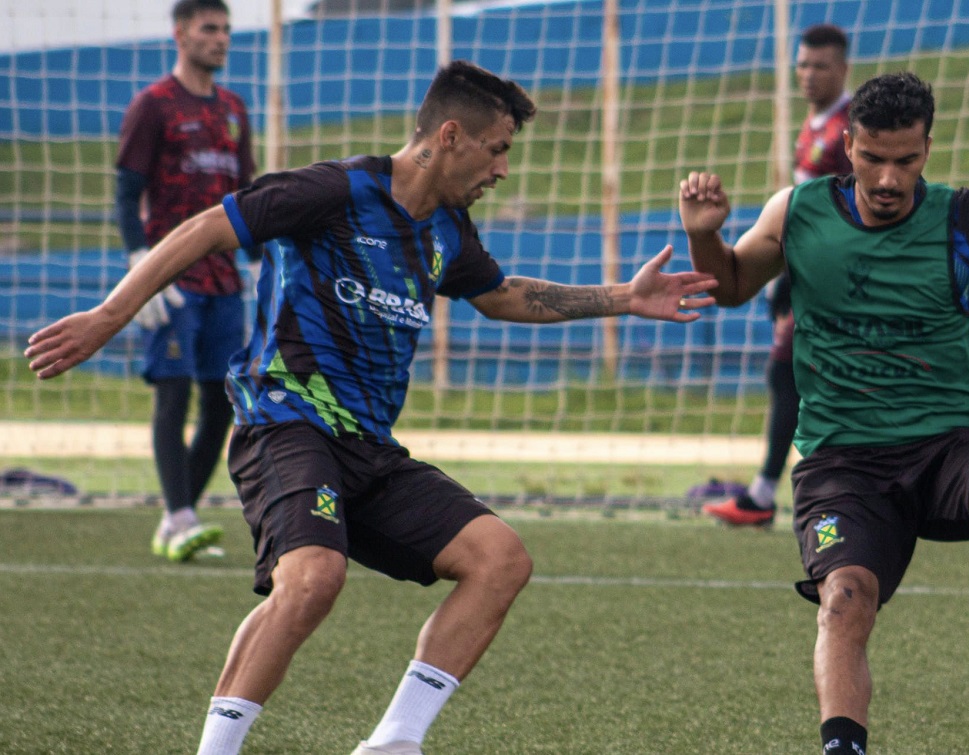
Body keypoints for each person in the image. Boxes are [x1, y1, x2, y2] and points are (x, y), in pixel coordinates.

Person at [28, 59, 717, 755]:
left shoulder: (448, 228)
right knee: (313, 578)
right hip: (284, 420)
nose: (504, 169)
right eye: (499, 148)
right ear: (451, 135)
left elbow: (501, 294)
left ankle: (393, 743)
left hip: (369, 447)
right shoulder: (335, 190)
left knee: (500, 557)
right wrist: (107, 316)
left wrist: (624, 298)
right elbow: (208, 227)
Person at [678, 72, 969, 754]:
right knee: (844, 601)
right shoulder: (797, 211)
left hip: (950, 447)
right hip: (842, 463)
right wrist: (706, 238)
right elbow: (731, 285)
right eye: (872, 157)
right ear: (847, 145)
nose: (888, 178)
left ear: (927, 150)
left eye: (906, 160)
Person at [115, 0, 259, 562]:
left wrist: (254, 264)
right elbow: (127, 192)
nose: (220, 38)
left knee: (223, 401)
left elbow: (245, 195)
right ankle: (177, 519)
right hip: (172, 274)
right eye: (209, 28)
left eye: (226, 29)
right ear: (180, 34)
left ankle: (183, 514)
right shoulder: (153, 106)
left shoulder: (233, 108)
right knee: (172, 393)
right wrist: (138, 263)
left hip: (224, 280)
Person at [702, 23, 853, 527]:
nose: (809, 75)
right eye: (803, 64)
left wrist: (789, 276)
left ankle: (776, 493)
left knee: (795, 372)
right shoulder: (815, 124)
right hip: (806, 272)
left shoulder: (850, 127)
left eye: (821, 66)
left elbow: (840, 211)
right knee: (793, 372)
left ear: (844, 69)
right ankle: (779, 491)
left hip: (836, 278)